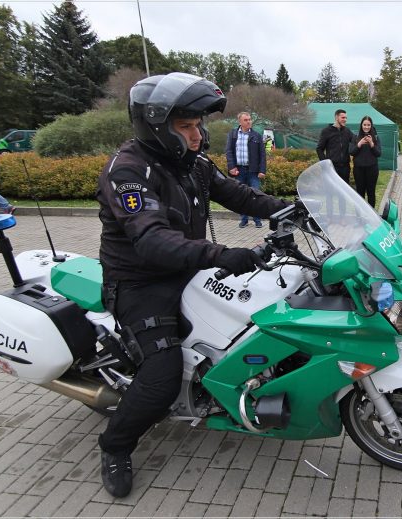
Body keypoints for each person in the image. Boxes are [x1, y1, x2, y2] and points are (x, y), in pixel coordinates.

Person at [96, 72, 288, 498]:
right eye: (186, 126)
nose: (198, 133)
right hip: (140, 282)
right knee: (161, 377)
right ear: (158, 126)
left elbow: (241, 196)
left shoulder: (192, 163)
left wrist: (294, 209)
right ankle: (115, 445)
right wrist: (221, 255)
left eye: (199, 124)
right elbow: (151, 239)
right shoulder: (127, 171)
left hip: (188, 270)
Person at [225, 111, 267, 228]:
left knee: (255, 196)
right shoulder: (233, 135)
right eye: (246, 120)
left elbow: (262, 155)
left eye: (249, 119)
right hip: (239, 171)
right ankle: (244, 220)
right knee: (241, 196)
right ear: (240, 122)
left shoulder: (257, 136)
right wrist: (231, 167)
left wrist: (262, 170)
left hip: (253, 171)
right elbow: (229, 152)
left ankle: (257, 220)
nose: (249, 122)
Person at [348, 115, 381, 207]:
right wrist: (359, 144)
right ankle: (360, 216)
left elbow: (378, 153)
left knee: (371, 192)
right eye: (364, 125)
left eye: (368, 125)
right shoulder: (355, 137)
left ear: (371, 125)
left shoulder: (376, 138)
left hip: (372, 169)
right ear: (361, 125)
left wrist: (371, 143)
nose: (366, 127)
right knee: (360, 193)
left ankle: (372, 215)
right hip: (359, 170)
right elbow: (351, 152)